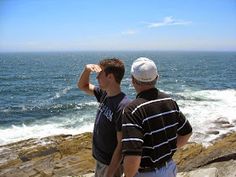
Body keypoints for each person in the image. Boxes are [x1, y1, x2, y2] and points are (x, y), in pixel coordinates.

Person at [121, 57, 193, 177]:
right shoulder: (170, 101)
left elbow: (133, 154)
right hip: (169, 168)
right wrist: (167, 150)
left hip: (146, 173)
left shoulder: (132, 110)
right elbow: (187, 132)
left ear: (132, 80)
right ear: (157, 78)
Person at [77, 58, 130, 177]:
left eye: (100, 74)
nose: (97, 78)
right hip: (100, 160)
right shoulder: (104, 94)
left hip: (110, 165)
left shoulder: (122, 106)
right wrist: (87, 70)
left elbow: (121, 146)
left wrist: (110, 173)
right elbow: (82, 85)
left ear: (110, 77)